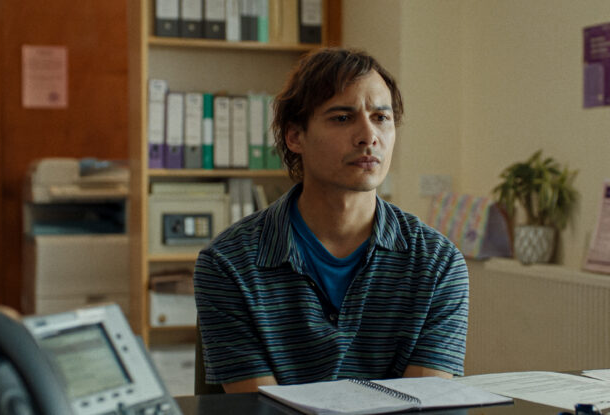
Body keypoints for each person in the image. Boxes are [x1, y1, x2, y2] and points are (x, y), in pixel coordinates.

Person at [194, 47, 469, 393]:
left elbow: (420, 404)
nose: (369, 136)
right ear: (295, 136)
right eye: (342, 118)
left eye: (381, 118)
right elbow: (259, 408)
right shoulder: (229, 263)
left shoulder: (438, 263)